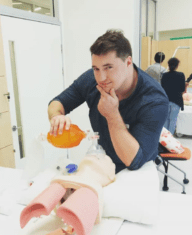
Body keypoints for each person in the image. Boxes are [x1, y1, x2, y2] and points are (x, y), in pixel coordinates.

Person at [48, 30, 169, 174]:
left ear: (128, 62)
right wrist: (56, 117)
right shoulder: (92, 80)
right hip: (104, 160)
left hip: (138, 170)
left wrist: (112, 115)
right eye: (96, 69)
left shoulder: (155, 100)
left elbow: (134, 160)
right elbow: (57, 102)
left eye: (108, 67)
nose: (101, 77)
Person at [161, 57, 185, 135]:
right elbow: (182, 89)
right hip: (176, 101)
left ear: (168, 65)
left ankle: (164, 139)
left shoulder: (164, 75)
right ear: (177, 65)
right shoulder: (181, 75)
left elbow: (162, 88)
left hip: (166, 100)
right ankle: (170, 139)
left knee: (165, 120)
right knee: (173, 120)